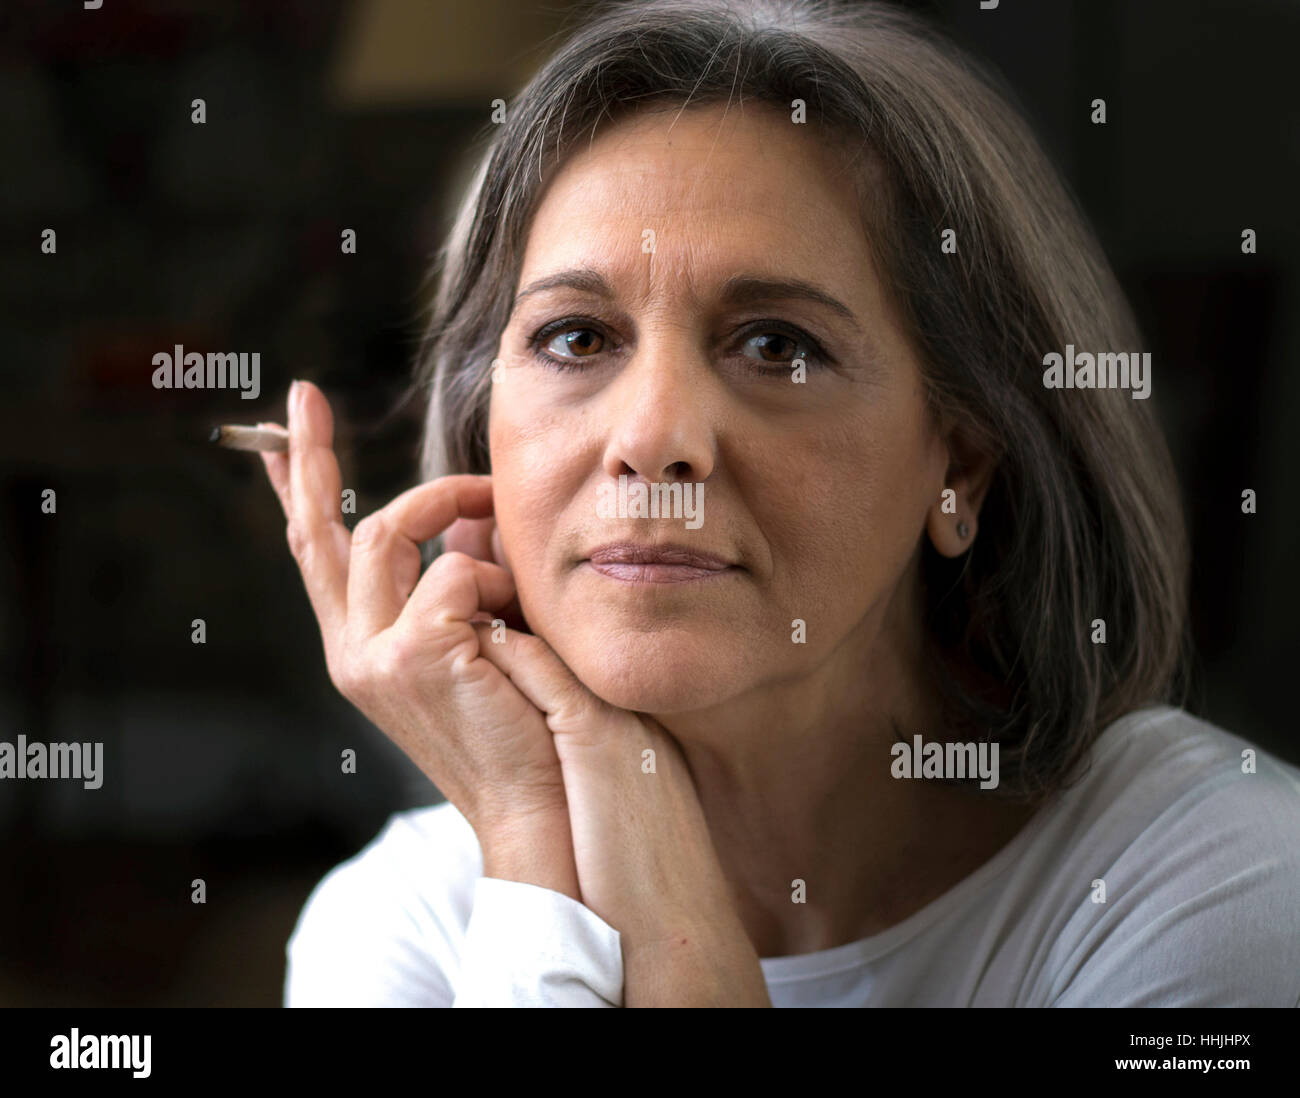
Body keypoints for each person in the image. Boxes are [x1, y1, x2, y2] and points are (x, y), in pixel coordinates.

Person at [266, 0, 1300, 1006]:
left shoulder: (1222, 890)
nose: (650, 439)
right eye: (576, 337)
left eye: (776, 346)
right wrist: (535, 836)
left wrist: (674, 930)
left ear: (963, 464)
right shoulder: (400, 920)